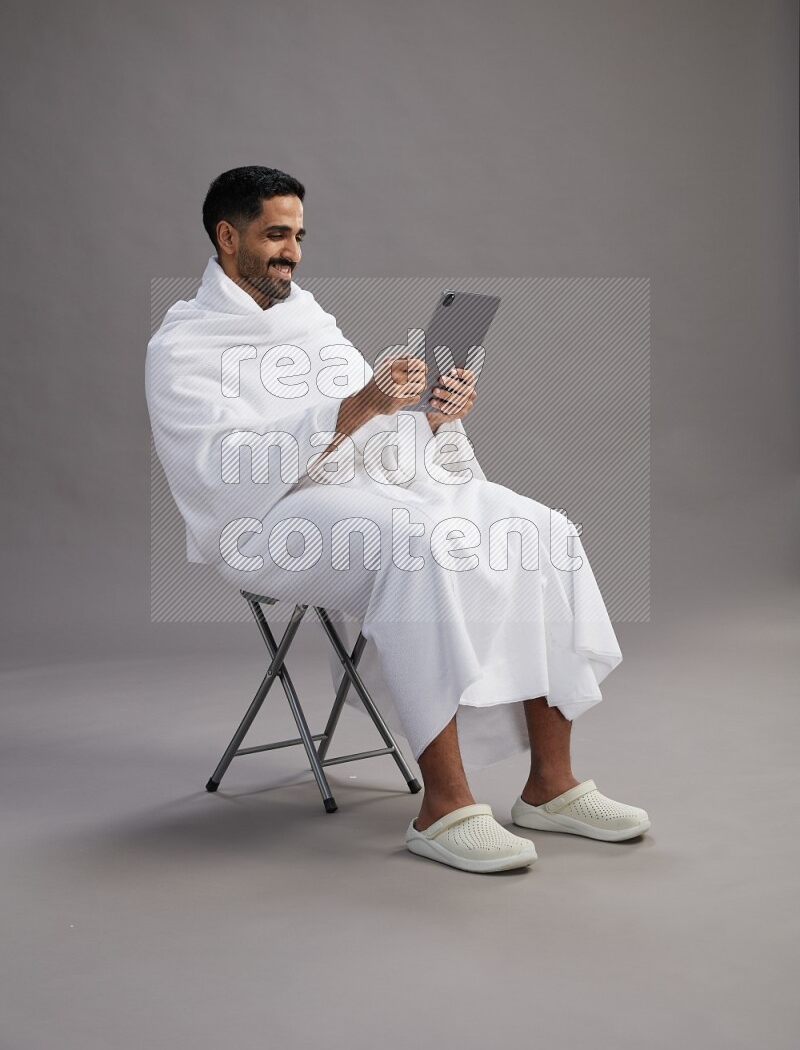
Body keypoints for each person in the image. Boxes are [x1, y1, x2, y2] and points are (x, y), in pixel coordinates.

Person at [145, 165, 650, 874]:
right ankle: (443, 807)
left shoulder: (309, 320)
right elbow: (218, 468)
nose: (292, 250)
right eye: (276, 234)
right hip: (264, 522)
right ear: (228, 237)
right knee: (416, 543)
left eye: (299, 235)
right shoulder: (182, 346)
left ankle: (550, 787)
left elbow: (371, 435)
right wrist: (355, 408)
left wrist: (433, 420)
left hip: (355, 487)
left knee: (541, 529)